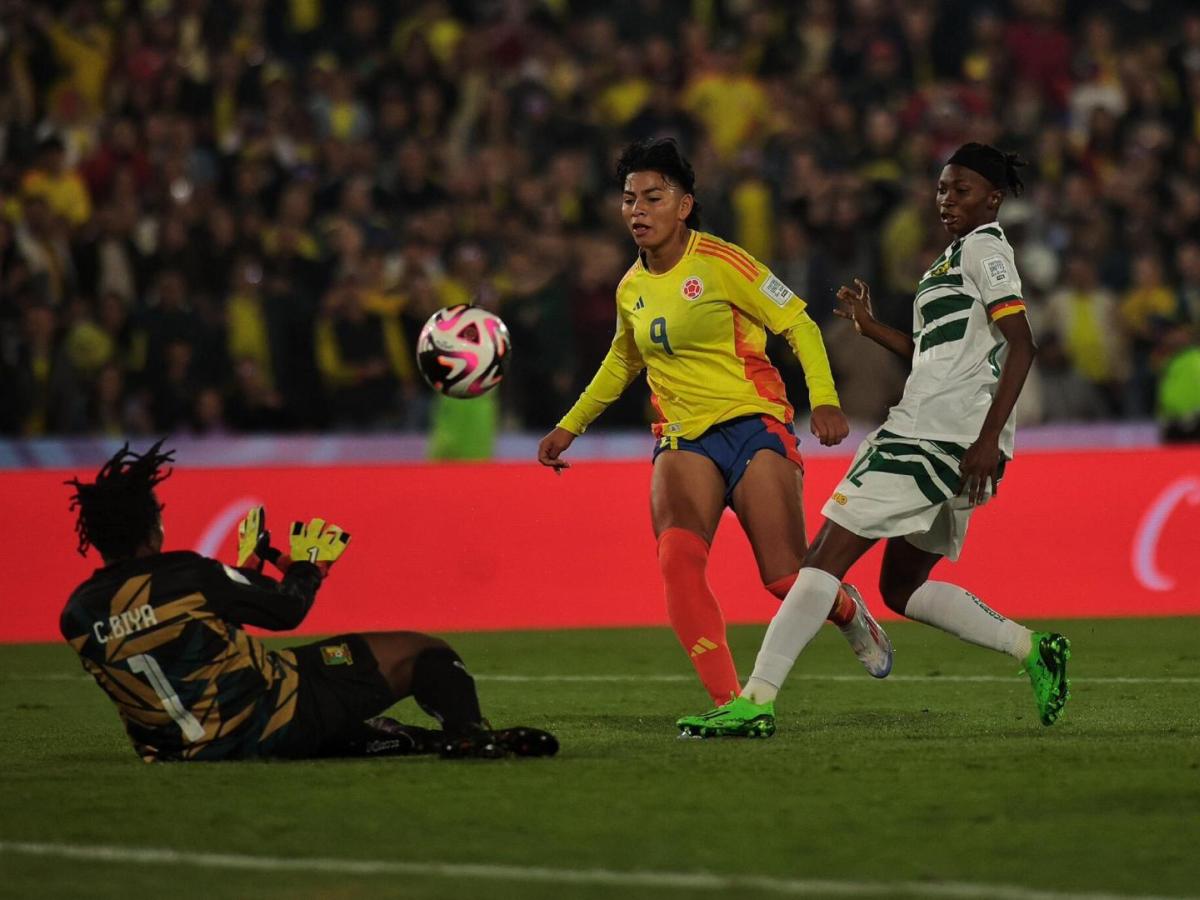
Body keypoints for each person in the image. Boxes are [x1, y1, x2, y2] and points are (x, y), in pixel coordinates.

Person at [678, 142, 1071, 738]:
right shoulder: (951, 260)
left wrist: (989, 440)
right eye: (941, 189)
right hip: (940, 432)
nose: (947, 200)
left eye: (961, 190)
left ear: (992, 197)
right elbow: (937, 355)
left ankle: (755, 700)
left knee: (822, 561)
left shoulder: (988, 249)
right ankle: (1033, 648)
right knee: (899, 588)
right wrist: (871, 327)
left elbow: (1022, 343)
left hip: (932, 437)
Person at [537, 138, 893, 713]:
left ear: (684, 205)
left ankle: (846, 609)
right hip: (682, 438)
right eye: (629, 199)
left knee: (783, 580)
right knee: (677, 561)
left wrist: (824, 399)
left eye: (653, 197)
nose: (637, 210)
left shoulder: (725, 262)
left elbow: (798, 323)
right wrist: (569, 426)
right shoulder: (631, 288)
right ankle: (732, 702)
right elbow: (623, 361)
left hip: (753, 425)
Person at [61, 440, 558, 762]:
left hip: (182, 750)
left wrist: (245, 572)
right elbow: (285, 611)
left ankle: (401, 740)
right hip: (272, 717)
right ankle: (467, 733)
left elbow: (181, 644)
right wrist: (306, 568)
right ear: (154, 527)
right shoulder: (186, 573)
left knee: (323, 702)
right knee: (424, 652)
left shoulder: (77, 614)